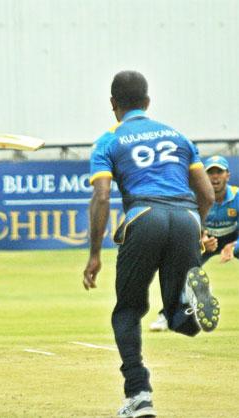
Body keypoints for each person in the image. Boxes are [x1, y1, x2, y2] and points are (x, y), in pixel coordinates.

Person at [83, 71, 219, 418]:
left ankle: (139, 394)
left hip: (144, 215)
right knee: (177, 317)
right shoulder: (178, 137)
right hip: (186, 217)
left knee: (127, 310)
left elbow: (100, 198)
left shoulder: (108, 141)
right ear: (147, 102)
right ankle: (188, 305)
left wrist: (95, 254)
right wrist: (200, 228)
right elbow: (205, 192)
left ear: (113, 104)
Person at [149, 154, 238, 331]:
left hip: (233, 239)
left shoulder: (237, 196)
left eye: (219, 172)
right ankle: (168, 314)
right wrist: (200, 241)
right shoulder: (194, 197)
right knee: (177, 265)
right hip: (205, 239)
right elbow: (183, 228)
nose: (215, 177)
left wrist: (234, 245)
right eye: (210, 173)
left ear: (227, 175)